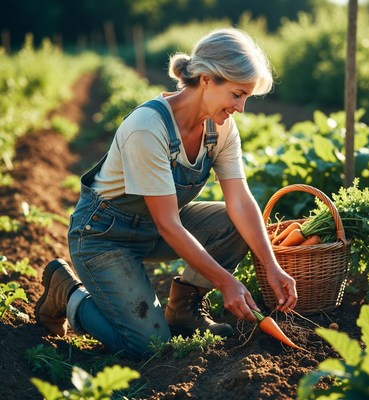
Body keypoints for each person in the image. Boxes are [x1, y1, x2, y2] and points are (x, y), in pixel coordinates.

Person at [35, 27, 297, 359]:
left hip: (153, 229)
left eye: (246, 96)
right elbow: (169, 225)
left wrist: (271, 265)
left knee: (235, 223)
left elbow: (241, 200)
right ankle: (69, 294)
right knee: (150, 346)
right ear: (205, 79)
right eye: (236, 94)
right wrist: (225, 282)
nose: (241, 107)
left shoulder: (220, 128)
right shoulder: (148, 127)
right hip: (104, 235)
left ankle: (184, 313)